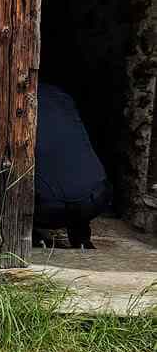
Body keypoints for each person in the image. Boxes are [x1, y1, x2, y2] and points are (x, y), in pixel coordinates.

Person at [33, 82, 112, 248]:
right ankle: (81, 236)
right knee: (73, 168)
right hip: (96, 200)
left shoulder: (18, 100)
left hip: (48, 209)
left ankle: (32, 235)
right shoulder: (62, 97)